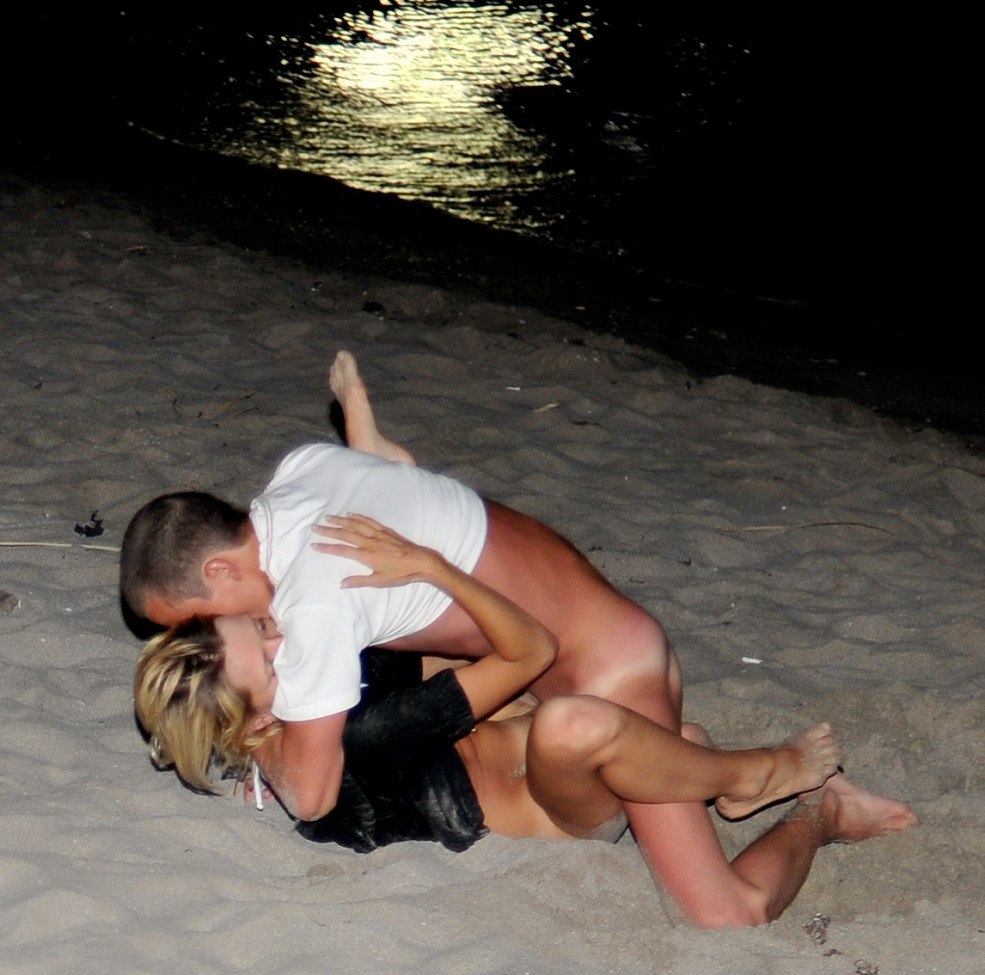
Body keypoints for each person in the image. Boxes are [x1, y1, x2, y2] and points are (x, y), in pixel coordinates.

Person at [121, 352, 917, 927]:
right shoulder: (296, 479)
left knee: (723, 914)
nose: (198, 632)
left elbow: (315, 786)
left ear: (223, 570)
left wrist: (257, 736)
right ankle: (683, 759)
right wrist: (370, 442)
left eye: (190, 617)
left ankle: (797, 798)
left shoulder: (317, 600)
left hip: (602, 666)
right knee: (552, 716)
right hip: (576, 657)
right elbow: (393, 481)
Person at [134, 513, 847, 865]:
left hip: (550, 739)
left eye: (259, 624)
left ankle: (693, 765)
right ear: (255, 722)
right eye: (268, 656)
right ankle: (774, 789)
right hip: (568, 808)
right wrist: (436, 567)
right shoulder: (350, 743)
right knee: (575, 722)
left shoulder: (300, 723)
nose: (283, 636)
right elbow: (530, 646)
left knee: (640, 724)